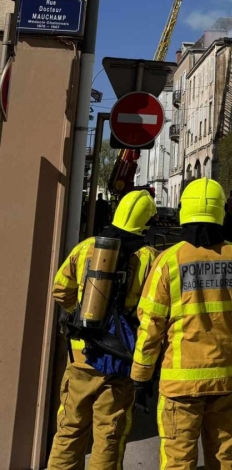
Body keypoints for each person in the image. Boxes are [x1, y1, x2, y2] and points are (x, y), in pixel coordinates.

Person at [131, 177, 232, 470]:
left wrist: (141, 376)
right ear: (221, 213)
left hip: (180, 384)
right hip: (227, 379)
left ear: (183, 212)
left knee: (178, 461)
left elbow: (151, 324)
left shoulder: (168, 261)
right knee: (224, 456)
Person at [48, 189, 158, 470]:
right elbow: (156, 312)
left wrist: (84, 317)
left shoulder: (86, 248)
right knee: (108, 436)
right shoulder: (148, 258)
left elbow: (60, 290)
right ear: (146, 223)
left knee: (69, 429)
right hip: (118, 360)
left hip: (81, 355)